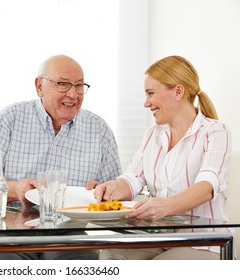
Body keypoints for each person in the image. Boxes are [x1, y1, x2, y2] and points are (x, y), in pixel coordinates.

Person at [0, 54, 122, 260]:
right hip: (8, 231)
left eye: (79, 86)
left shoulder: (99, 130)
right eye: (63, 84)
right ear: (39, 86)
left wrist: (102, 193)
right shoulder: (8, 119)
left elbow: (116, 194)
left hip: (69, 234)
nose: (73, 94)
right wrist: (15, 189)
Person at [91, 55, 232, 260]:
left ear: (178, 91)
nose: (146, 103)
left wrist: (165, 206)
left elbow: (207, 186)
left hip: (205, 242)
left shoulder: (215, 132)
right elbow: (132, 179)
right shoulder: (152, 135)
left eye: (150, 93)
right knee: (109, 256)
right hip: (161, 238)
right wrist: (112, 187)